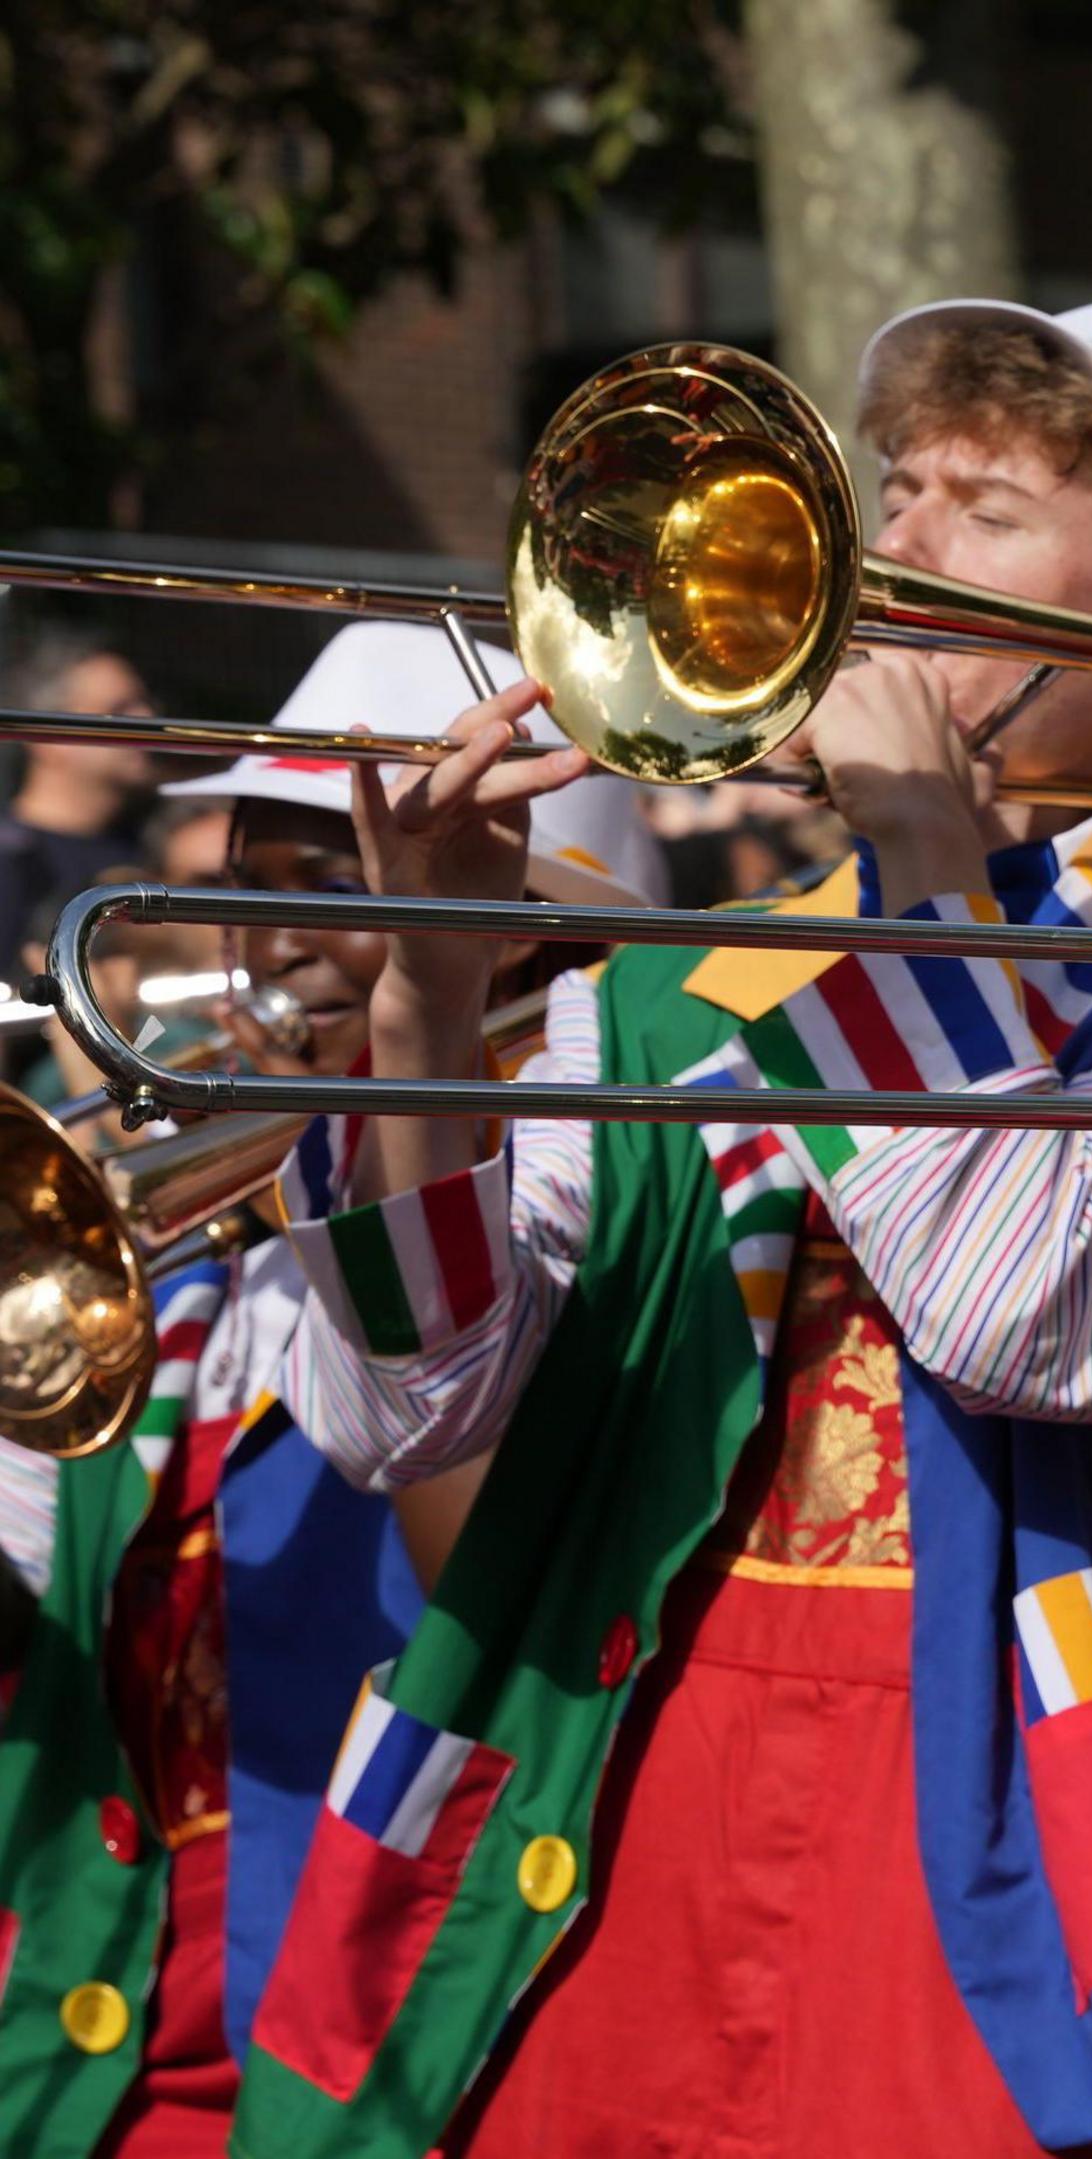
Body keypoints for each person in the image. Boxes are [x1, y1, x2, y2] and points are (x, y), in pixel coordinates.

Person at [245, 296, 1092, 2156]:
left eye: (988, 505)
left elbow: (1044, 1319)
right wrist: (428, 1012)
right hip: (602, 1773)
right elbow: (408, 1410)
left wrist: (929, 874)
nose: (899, 544)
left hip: (996, 1813)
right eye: (897, 488)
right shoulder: (676, 974)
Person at [0, 621, 661, 2159]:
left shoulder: (599, 1197)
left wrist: (369, 1130)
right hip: (110, 2041)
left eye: (338, 883)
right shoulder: (179, 1247)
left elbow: (486, 1560)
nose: (275, 937)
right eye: (253, 877)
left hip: (407, 2039)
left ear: (522, 928)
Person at [0, 635, 158, 960]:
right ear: (46, 738)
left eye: (142, 703)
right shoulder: (11, 863)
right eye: (120, 710)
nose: (148, 719)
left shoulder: (149, 843)